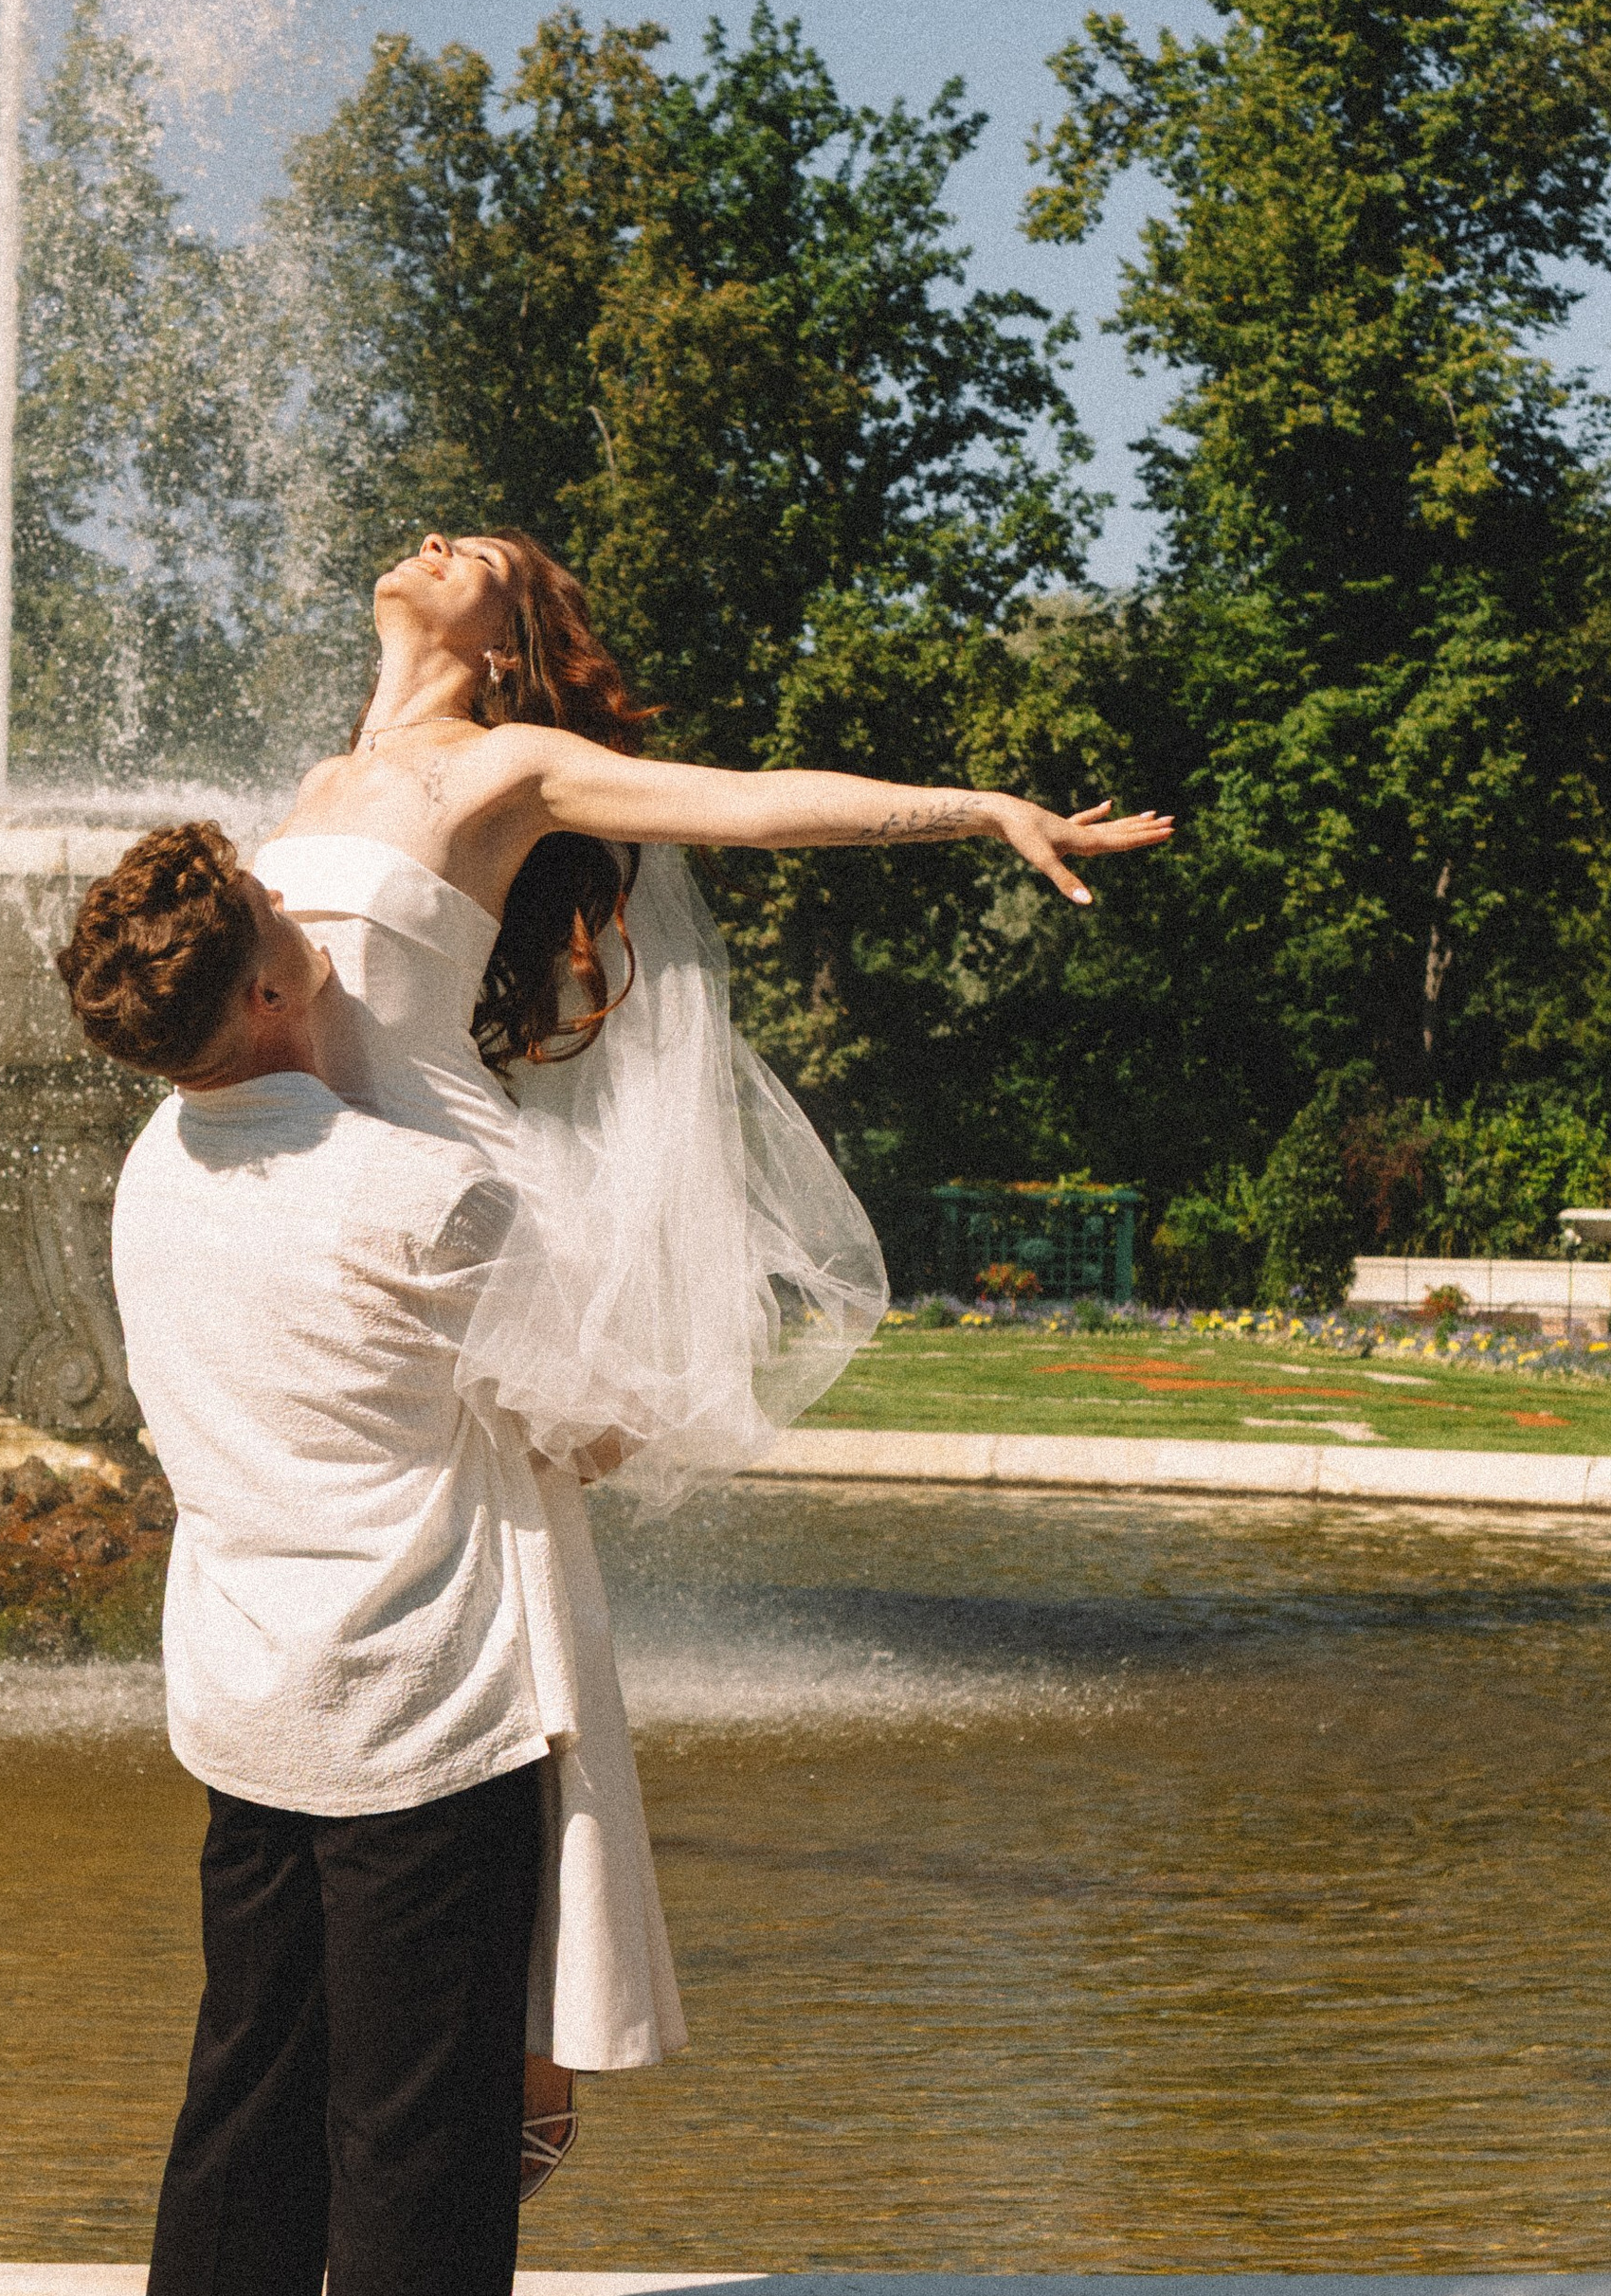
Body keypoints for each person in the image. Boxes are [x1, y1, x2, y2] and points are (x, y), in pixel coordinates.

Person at [261, 529, 1177, 2175]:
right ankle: (382, 2024)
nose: (435, 541)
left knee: (509, 1606)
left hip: (451, 1228)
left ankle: (528, 2038)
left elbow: (751, 803)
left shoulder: (508, 765)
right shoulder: (322, 781)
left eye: (479, 553)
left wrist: (980, 811)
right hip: (327, 1247)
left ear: (509, 640)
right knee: (356, 1609)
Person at [55, 819, 584, 2296]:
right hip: (415, 1707)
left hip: (242, 1687)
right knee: (415, 2142)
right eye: (290, 918)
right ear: (276, 986)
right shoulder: (423, 1197)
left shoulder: (150, 1170)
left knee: (246, 2104)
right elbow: (583, 1421)